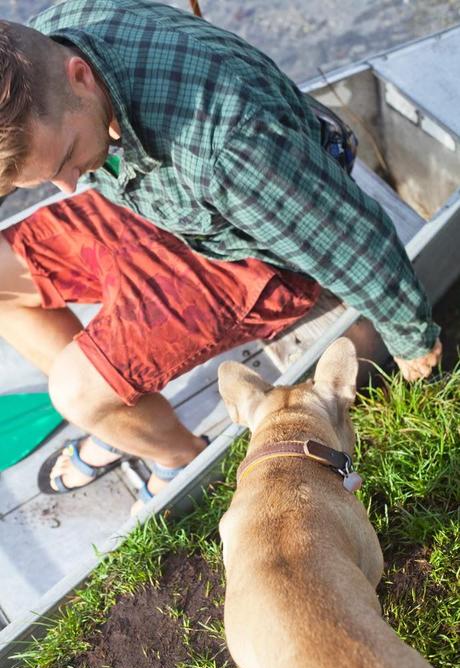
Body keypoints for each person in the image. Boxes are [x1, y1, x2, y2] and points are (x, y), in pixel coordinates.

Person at [0, 1, 441, 508]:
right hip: (153, 199)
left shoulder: (228, 149)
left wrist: (412, 338)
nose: (69, 186)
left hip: (250, 258)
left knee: (76, 392)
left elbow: (351, 240)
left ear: (80, 77)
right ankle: (122, 419)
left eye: (65, 160)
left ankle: (174, 454)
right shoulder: (53, 33)